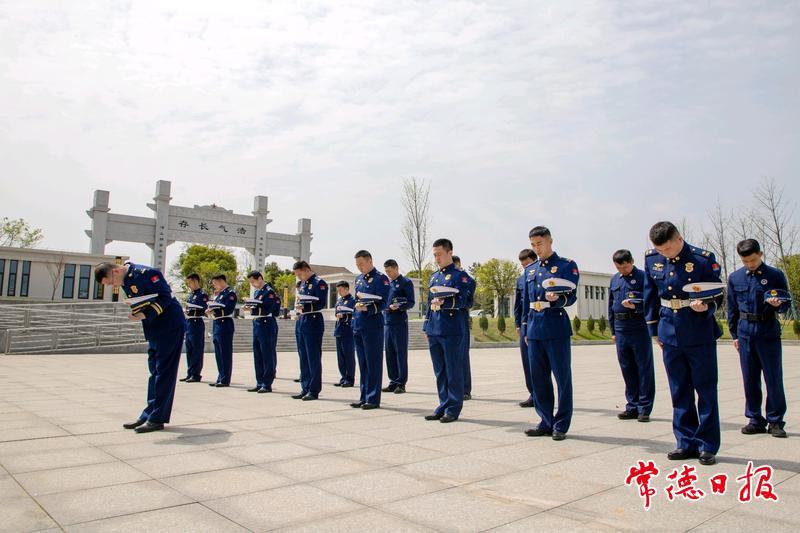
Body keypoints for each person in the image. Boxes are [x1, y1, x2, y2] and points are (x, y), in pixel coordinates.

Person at [644, 221, 723, 465]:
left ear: (679, 239)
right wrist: (654, 330)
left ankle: (707, 444)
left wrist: (706, 306)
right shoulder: (651, 259)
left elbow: (718, 293)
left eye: (668, 248)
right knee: (679, 389)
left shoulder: (702, 259)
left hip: (698, 330)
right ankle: (685, 441)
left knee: (705, 389)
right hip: (669, 331)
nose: (665, 254)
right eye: (660, 250)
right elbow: (650, 295)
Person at [95, 261, 185, 433]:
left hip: (170, 326)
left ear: (116, 271)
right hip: (153, 328)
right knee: (155, 372)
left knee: (164, 373)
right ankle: (149, 413)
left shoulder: (147, 273)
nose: (113, 286)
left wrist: (145, 314)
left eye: (111, 282)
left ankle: (157, 419)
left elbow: (165, 297)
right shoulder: (126, 280)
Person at [727, 238, 791, 438]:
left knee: (773, 378)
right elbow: (732, 308)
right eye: (745, 261)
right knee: (750, 379)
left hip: (767, 331)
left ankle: (775, 420)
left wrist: (778, 305)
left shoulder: (775, 275)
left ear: (760, 254)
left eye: (753, 260)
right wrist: (735, 335)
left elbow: (786, 304)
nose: (750, 264)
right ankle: (755, 419)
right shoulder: (735, 278)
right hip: (745, 333)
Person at [521, 226, 579, 441]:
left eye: (540, 243)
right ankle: (545, 421)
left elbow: (571, 296)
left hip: (555, 326)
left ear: (550, 241)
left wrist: (558, 300)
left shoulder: (566, 265)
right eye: (533, 245)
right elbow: (526, 302)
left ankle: (561, 424)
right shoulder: (530, 270)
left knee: (562, 378)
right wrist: (525, 328)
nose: (537, 248)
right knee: (539, 379)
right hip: (534, 328)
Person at [423, 238, 471, 423]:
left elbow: (467, 300)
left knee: (453, 370)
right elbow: (429, 303)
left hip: (452, 328)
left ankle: (453, 408)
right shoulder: (434, 277)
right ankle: (443, 405)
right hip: (435, 328)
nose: (437, 258)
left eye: (440, 255)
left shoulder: (461, 276)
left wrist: (447, 302)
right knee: (440, 372)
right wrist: (426, 326)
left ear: (450, 253)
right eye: (435, 255)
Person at [608, 249, 655, 422]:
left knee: (643, 368)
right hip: (620, 328)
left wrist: (636, 306)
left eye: (625, 267)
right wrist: (613, 331)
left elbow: (651, 302)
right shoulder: (614, 279)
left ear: (632, 261)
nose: (623, 270)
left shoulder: (643, 277)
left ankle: (644, 408)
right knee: (627, 368)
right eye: (619, 268)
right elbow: (610, 305)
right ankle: (632, 406)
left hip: (638, 326)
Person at [351, 250, 390, 410]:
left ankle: (373, 398)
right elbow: (357, 298)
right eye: (357, 265)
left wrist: (369, 308)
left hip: (373, 325)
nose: (359, 267)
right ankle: (364, 396)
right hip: (359, 325)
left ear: (369, 261)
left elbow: (384, 302)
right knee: (363, 363)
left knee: (373, 363)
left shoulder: (381, 279)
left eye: (361, 264)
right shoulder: (358, 279)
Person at [292, 261, 328, 400]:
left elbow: (321, 303)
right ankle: (305, 387)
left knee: (313, 357)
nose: (299, 277)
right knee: (303, 357)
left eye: (299, 273)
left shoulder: (319, 283)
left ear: (306, 270)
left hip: (313, 320)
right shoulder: (302, 284)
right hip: (302, 320)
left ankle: (313, 390)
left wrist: (305, 307)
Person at [382, 259, 416, 394]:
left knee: (400, 353)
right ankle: (393, 381)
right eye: (386, 272)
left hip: (399, 322)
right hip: (387, 322)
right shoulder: (387, 284)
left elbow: (411, 302)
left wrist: (399, 307)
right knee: (389, 353)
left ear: (396, 268)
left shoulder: (405, 282)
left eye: (389, 271)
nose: (388, 274)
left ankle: (401, 383)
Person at [245, 271, 281, 394]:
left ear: (260, 278)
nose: (252, 284)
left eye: (253, 281)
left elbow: (268, 308)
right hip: (257, 323)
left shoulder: (269, 292)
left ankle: (267, 383)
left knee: (267, 355)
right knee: (258, 355)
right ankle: (259, 382)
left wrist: (253, 308)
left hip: (267, 323)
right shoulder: (257, 292)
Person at [513, 249, 537, 407]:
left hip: (538, 321)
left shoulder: (541, 275)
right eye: (522, 265)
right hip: (524, 324)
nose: (525, 267)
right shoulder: (521, 280)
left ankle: (541, 394)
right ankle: (532, 394)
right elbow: (518, 304)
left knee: (538, 362)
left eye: (527, 264)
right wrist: (517, 324)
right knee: (526, 361)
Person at [207, 274, 237, 388]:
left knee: (225, 353)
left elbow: (228, 309)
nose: (214, 286)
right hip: (217, 323)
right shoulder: (219, 295)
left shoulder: (230, 294)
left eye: (215, 283)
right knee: (219, 354)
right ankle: (220, 377)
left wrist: (214, 311)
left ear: (221, 281)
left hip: (225, 324)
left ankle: (225, 379)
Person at [453, 256, 476, 400]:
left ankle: (465, 389)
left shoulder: (467, 279)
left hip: (460, 318)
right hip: (446, 321)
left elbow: (469, 299)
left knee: (462, 356)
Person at [180, 273, 208, 383]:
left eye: (190, 282)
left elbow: (204, 308)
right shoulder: (191, 295)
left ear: (196, 281)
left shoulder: (202, 295)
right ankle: (190, 373)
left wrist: (194, 309)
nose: (189, 285)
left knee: (196, 349)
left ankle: (196, 374)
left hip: (197, 322)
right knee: (189, 349)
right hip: (189, 322)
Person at [333, 281, 356, 388]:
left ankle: (350, 379)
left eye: (341, 290)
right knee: (340, 357)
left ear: (347, 289)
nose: (339, 292)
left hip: (348, 331)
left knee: (348, 356)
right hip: (339, 330)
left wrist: (345, 316)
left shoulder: (352, 301)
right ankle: (343, 377)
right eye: (338, 290)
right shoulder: (339, 301)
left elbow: (354, 315)